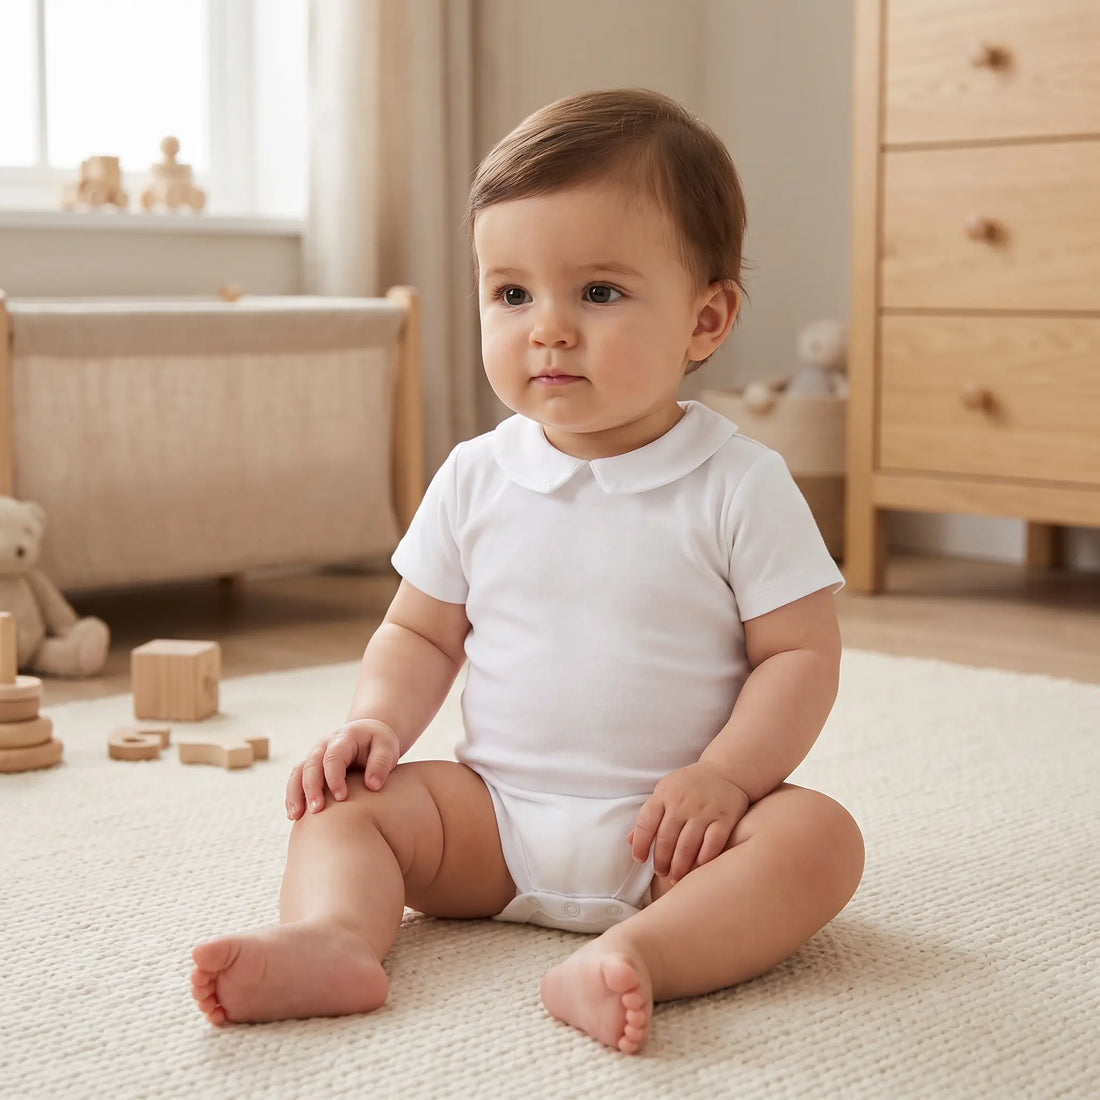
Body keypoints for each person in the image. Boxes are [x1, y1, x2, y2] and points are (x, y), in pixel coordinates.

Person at [190, 87, 865, 1055]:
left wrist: (725, 776)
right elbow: (418, 631)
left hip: (674, 839)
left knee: (817, 840)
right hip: (492, 821)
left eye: (596, 291)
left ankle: (638, 954)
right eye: (510, 293)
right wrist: (375, 724)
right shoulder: (475, 475)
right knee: (346, 807)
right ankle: (333, 938)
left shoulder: (738, 482)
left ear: (704, 319)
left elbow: (799, 653)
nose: (545, 327)